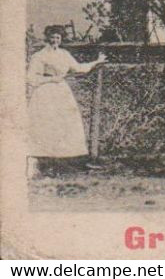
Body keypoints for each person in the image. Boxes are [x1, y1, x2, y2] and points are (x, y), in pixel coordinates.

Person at [27, 25, 106, 177]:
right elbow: (30, 77)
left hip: (62, 91)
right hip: (45, 92)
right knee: (47, 123)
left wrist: (97, 61)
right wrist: (50, 79)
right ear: (47, 38)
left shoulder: (64, 54)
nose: (55, 40)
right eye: (52, 37)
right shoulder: (39, 56)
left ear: (61, 39)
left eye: (58, 37)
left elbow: (78, 68)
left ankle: (67, 161)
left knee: (67, 123)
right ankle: (44, 160)